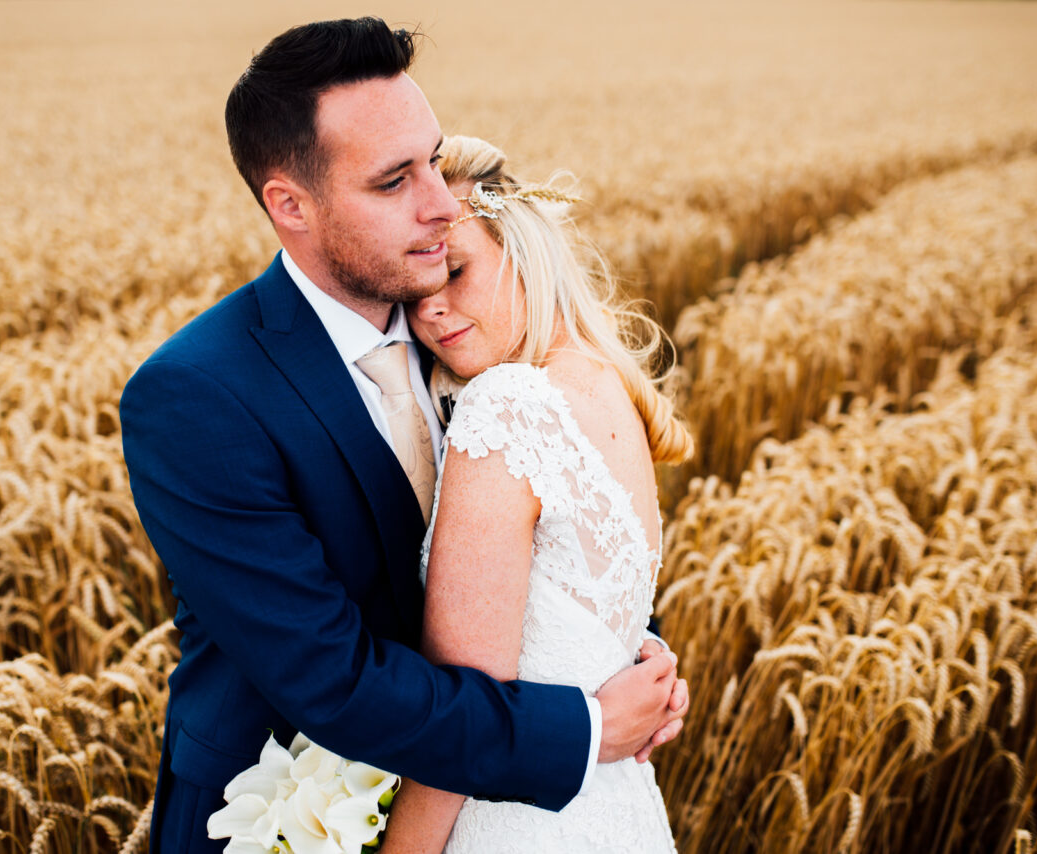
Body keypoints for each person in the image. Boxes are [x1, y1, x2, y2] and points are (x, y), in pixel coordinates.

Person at [118, 19, 687, 854]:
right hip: (283, 820)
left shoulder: (469, 343)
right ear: (291, 205)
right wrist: (583, 727)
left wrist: (610, 650)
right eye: (394, 181)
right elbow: (331, 679)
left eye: (432, 159)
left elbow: (532, 562)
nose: (441, 203)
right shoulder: (196, 396)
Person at [378, 135, 695, 852]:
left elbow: (465, 720)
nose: (430, 312)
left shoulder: (506, 405)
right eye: (414, 294)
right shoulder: (607, 387)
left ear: (522, 251)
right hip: (613, 809)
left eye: (455, 271)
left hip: (511, 821)